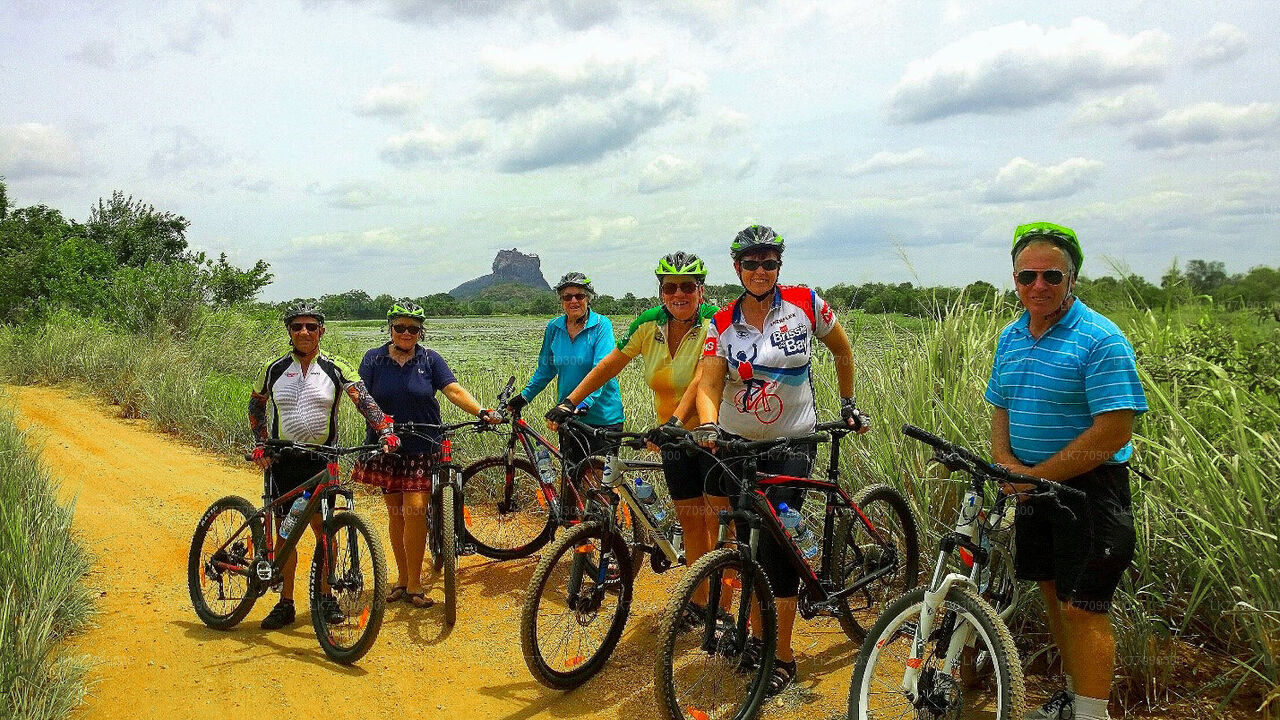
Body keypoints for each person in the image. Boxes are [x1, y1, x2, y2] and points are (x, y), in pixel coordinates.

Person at [695, 225, 869, 696]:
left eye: (768, 262)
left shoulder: (805, 304)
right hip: (738, 446)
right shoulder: (721, 322)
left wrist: (849, 403)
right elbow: (710, 383)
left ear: (779, 266)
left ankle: (783, 654)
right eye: (750, 263)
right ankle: (757, 635)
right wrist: (709, 425)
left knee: (775, 546)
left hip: (792, 441)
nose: (759, 270)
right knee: (746, 540)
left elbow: (841, 350)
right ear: (737, 268)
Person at [985, 222, 1146, 720]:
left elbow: (1114, 430)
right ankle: (1074, 698)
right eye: (1026, 275)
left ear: (1072, 279)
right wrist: (1008, 464)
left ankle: (1093, 714)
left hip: (1088, 491)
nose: (1038, 286)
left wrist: (1041, 476)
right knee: (1054, 594)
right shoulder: (1011, 337)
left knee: (1084, 606)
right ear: (1013, 278)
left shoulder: (1101, 338)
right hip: (1037, 488)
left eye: (1051, 276)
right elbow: (1002, 409)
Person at [545, 252, 721, 603]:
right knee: (691, 525)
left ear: (701, 291)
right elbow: (611, 363)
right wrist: (570, 401)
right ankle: (700, 605)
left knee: (717, 528)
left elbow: (702, 379)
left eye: (687, 286)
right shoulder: (649, 324)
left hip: (713, 437)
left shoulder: (715, 323)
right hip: (671, 441)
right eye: (670, 287)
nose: (679, 294)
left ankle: (724, 611)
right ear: (661, 292)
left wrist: (674, 423)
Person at [248, 302, 400, 630]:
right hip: (283, 461)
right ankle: (285, 602)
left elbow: (364, 400)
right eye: (297, 327)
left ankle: (326, 597)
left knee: (323, 531)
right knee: (284, 535)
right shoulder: (273, 368)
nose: (304, 332)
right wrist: (262, 442)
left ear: (321, 330)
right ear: (289, 331)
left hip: (321, 462)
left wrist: (385, 429)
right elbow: (256, 406)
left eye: (311, 326)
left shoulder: (336, 367)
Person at [351, 300, 500, 609]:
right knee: (396, 516)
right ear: (390, 328)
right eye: (400, 327)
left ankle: (416, 583)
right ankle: (402, 579)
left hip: (422, 443)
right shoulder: (373, 359)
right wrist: (381, 428)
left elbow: (454, 391)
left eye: (413, 329)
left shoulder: (430, 360)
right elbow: (361, 397)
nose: (407, 333)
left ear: (421, 331)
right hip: (387, 445)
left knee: (415, 511)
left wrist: (482, 410)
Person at [506, 272, 625, 479]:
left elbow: (602, 371)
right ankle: (571, 512)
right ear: (561, 301)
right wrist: (524, 397)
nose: (573, 301)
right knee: (572, 479)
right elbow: (546, 368)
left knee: (604, 483)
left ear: (588, 297)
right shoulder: (555, 327)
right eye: (567, 297)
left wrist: (577, 405)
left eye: (579, 296)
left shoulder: (601, 325)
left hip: (603, 417)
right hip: (568, 417)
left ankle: (609, 511)